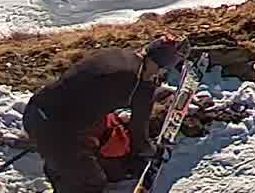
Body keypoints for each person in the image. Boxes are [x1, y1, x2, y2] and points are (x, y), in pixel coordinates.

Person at [22, 35, 183, 193]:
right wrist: (155, 152)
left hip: (35, 111)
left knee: (69, 163)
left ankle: (61, 173)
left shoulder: (115, 54)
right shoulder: (139, 86)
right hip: (54, 132)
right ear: (160, 67)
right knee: (91, 182)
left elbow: (96, 88)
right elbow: (139, 138)